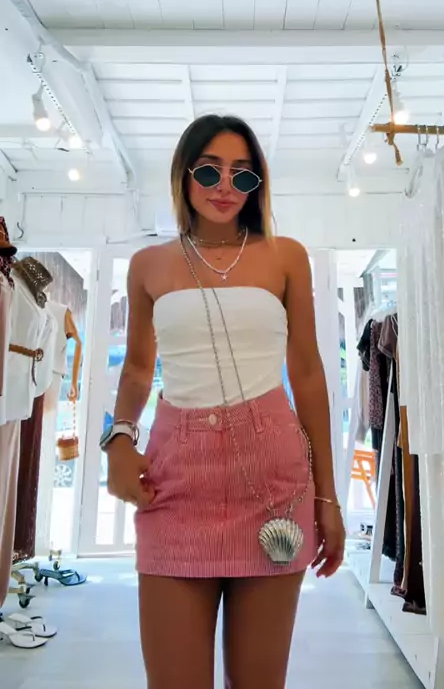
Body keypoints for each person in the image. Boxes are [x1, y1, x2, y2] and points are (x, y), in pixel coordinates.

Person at [104, 114, 345, 689]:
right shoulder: (148, 265)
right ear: (184, 175)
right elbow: (137, 368)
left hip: (273, 479)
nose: (225, 187)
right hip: (175, 480)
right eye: (210, 171)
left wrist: (328, 497)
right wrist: (118, 438)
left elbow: (307, 374)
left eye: (243, 175)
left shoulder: (286, 257)